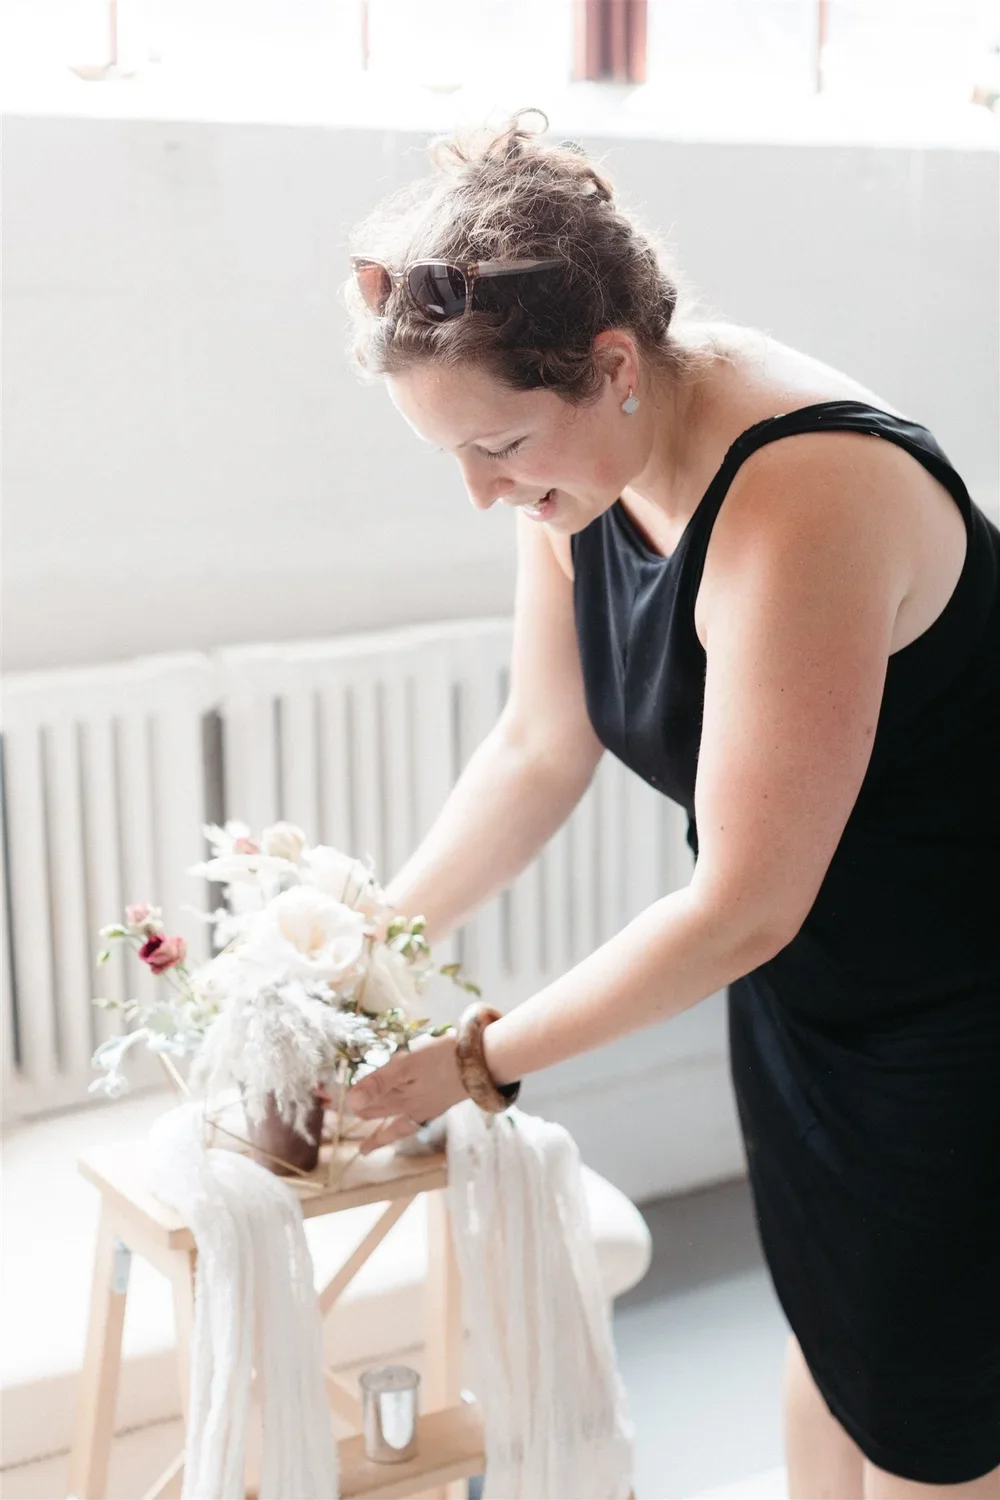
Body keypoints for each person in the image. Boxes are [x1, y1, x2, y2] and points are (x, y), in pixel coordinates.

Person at [342, 112, 1000, 1498]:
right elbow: (538, 742)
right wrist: (364, 934)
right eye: (451, 456)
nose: (484, 493)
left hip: (963, 998)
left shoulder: (804, 490)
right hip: (816, 988)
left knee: (940, 1417)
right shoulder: (579, 474)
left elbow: (743, 902)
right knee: (840, 1346)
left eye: (502, 443)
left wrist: (480, 1055)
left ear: (613, 364)